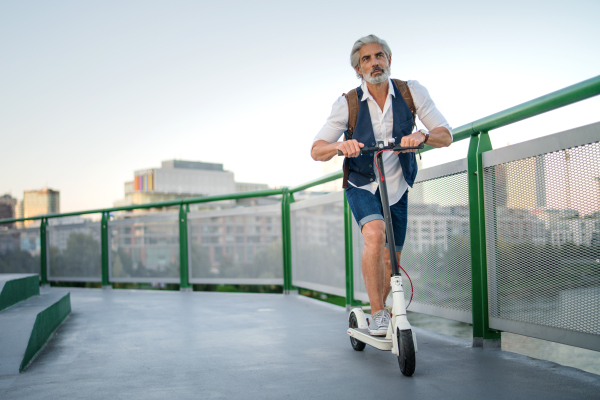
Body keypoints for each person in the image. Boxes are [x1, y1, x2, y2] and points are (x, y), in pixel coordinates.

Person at [311, 34, 452, 336]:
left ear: (389, 61)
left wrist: (423, 136)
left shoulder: (411, 92)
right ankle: (377, 313)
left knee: (392, 258)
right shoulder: (347, 103)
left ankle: (384, 308)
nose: (374, 62)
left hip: (397, 184)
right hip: (361, 183)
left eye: (379, 56)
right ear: (358, 69)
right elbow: (316, 150)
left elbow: (446, 135)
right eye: (366, 59)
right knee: (374, 234)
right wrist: (340, 146)